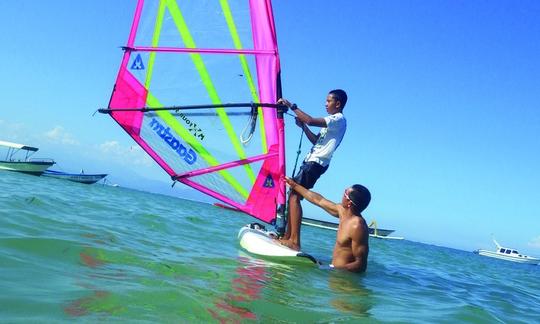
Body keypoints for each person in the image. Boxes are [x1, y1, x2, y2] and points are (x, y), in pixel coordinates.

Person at [277, 89, 348, 251]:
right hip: (313, 161)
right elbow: (316, 140)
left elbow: (309, 120)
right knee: (293, 195)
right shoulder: (332, 122)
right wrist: (303, 127)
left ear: (337, 104)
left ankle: (294, 241)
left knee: (295, 195)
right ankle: (288, 237)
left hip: (316, 163)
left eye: (328, 101)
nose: (325, 104)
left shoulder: (338, 119)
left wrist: (291, 105)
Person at [284, 177, 370, 272]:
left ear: (349, 202)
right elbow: (319, 200)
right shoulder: (342, 211)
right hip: (335, 273)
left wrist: (329, 268)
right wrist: (294, 185)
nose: (342, 193)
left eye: (345, 193)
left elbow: (361, 265)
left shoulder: (357, 226)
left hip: (345, 281)